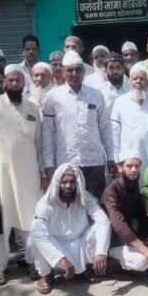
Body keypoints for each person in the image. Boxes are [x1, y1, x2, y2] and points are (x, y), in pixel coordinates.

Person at [0, 68, 45, 281]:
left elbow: (40, 145)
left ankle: (34, 263)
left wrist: (43, 172)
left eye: (18, 80)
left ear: (24, 83)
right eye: (11, 80)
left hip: (29, 175)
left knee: (31, 219)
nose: (14, 83)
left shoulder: (33, 109)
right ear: (4, 82)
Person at [42, 51, 116, 200]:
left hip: (94, 162)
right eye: (70, 70)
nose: (74, 73)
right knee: (69, 205)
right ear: (63, 72)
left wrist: (110, 157)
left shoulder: (96, 95)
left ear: (83, 71)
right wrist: (49, 165)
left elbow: (105, 129)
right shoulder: (53, 97)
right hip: (66, 163)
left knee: (95, 205)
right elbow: (48, 133)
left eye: (78, 70)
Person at [29, 164, 112, 294]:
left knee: (102, 225)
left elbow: (103, 220)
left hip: (79, 246)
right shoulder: (46, 202)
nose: (68, 186)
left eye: (72, 182)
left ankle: (86, 268)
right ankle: (46, 274)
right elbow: (37, 232)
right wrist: (61, 259)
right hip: (55, 248)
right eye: (64, 182)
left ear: (77, 183)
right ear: (57, 183)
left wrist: (101, 252)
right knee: (33, 238)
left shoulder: (84, 197)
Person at [110, 67, 148, 172]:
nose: (138, 81)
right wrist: (115, 158)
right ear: (129, 81)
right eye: (135, 79)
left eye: (142, 78)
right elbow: (114, 132)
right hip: (128, 158)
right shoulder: (120, 102)